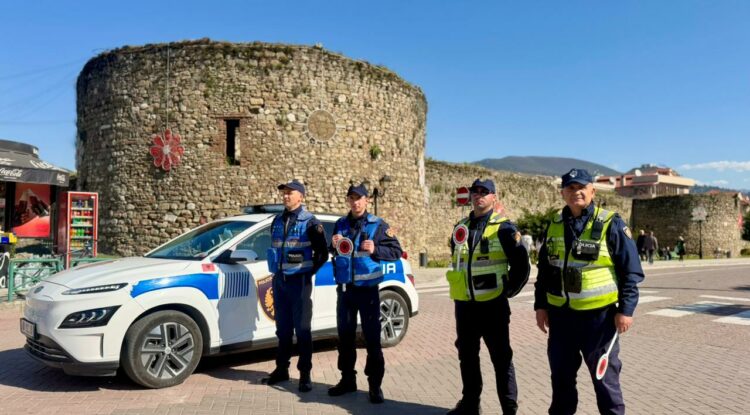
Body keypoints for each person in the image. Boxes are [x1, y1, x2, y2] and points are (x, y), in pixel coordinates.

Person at [534, 168, 644, 415]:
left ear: (592, 191)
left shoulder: (610, 223)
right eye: (571, 188)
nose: (576, 192)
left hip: (599, 320)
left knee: (605, 382)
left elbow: (631, 271)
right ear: (562, 193)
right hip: (561, 318)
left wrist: (626, 310)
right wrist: (540, 306)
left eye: (582, 187)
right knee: (561, 380)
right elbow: (544, 271)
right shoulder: (554, 225)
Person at [445, 179, 530, 415]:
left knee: (501, 359)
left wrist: (508, 291)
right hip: (465, 305)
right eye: (475, 191)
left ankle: (509, 409)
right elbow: (457, 259)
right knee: (467, 357)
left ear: (494, 197)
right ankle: (470, 404)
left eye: (485, 192)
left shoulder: (504, 228)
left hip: (493, 306)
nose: (479, 195)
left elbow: (522, 266)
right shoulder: (460, 227)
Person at [327, 183, 403, 404]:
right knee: (345, 338)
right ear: (348, 201)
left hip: (368, 291)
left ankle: (374, 386)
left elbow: (396, 251)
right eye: (351, 198)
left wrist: (375, 249)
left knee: (372, 339)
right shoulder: (340, 224)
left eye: (359, 198)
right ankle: (347, 380)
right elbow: (335, 252)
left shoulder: (378, 225)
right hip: (345, 290)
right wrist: (333, 244)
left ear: (367, 200)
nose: (355, 202)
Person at [262, 179, 329, 392]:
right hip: (279, 281)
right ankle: (282, 369)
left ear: (301, 196)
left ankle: (305, 374)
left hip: (299, 282)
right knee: (282, 330)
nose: (285, 196)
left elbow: (323, 254)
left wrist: (307, 273)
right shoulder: (277, 220)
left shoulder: (310, 222)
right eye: (284, 193)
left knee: (302, 330)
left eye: (290, 193)